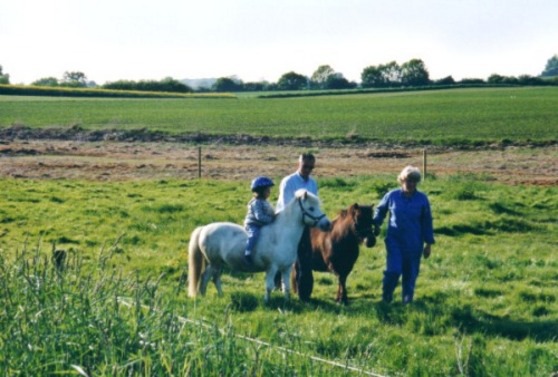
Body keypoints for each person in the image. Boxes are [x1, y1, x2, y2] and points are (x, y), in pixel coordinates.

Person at [373, 165, 435, 304]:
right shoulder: (392, 196)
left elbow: (427, 221)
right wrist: (376, 224)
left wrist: (428, 243)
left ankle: (407, 303)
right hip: (395, 241)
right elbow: (380, 211)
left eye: (414, 181)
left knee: (410, 274)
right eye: (408, 180)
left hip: (414, 244)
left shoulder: (422, 199)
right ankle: (386, 297)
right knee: (394, 270)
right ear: (401, 180)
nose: (411, 184)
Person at [276, 153, 318, 301]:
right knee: (282, 260)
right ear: (298, 164)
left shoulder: (313, 183)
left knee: (305, 261)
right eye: (305, 166)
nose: (308, 170)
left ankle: (304, 296)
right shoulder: (288, 182)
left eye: (311, 167)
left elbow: (313, 206)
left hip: (304, 226)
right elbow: (288, 207)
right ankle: (277, 289)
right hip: (286, 225)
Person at [244, 176, 276, 265]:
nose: (269, 192)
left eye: (269, 189)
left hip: (263, 224)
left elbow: (271, 212)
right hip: (253, 224)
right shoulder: (256, 203)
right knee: (254, 234)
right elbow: (259, 217)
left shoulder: (265, 202)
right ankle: (248, 252)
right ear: (260, 191)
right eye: (267, 190)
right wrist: (271, 220)